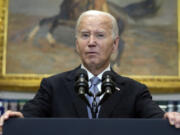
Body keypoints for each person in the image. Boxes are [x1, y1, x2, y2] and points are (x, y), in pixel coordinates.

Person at [0, 10, 180, 130]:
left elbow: (157, 117)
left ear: (115, 44)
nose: (91, 42)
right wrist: (17, 117)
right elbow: (30, 113)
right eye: (85, 35)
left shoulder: (134, 91)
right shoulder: (53, 87)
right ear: (76, 43)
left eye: (100, 35)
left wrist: (169, 117)